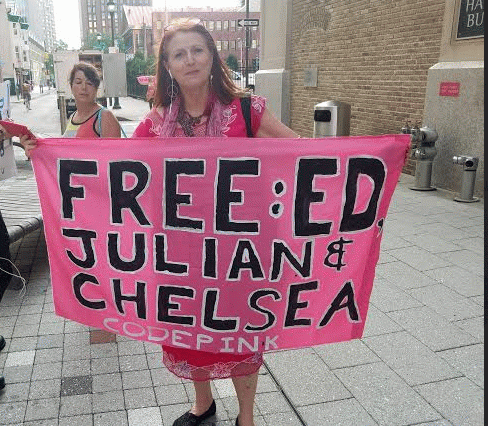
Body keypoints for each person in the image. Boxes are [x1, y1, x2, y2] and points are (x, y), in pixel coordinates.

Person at [132, 18, 298, 426]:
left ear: (212, 56)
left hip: (240, 251)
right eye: (178, 54)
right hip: (181, 252)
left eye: (197, 50)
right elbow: (107, 166)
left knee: (240, 335)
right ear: (167, 67)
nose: (189, 60)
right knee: (191, 332)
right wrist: (44, 150)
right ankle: (203, 405)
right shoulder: (154, 124)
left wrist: (374, 154)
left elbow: (302, 152)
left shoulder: (247, 109)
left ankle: (246, 418)